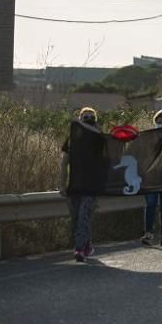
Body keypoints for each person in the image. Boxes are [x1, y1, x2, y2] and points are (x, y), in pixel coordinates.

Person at [58, 107, 102, 262]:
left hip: (92, 186)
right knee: (77, 219)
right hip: (75, 186)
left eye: (91, 116)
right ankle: (87, 243)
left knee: (84, 216)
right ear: (79, 120)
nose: (89, 119)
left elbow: (107, 162)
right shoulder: (72, 139)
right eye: (85, 117)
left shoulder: (100, 139)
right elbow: (64, 163)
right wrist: (62, 185)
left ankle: (79, 249)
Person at [141, 109, 162, 246]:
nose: (161, 125)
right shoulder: (149, 138)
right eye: (159, 123)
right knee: (151, 205)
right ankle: (148, 234)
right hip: (152, 178)